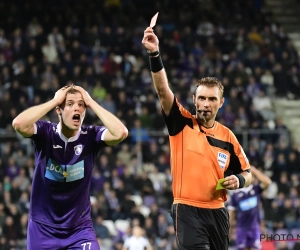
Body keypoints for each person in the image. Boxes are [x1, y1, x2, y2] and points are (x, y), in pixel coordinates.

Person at [142, 27, 252, 250]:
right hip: (187, 209)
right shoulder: (180, 122)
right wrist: (154, 54)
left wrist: (238, 181)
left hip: (219, 211)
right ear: (194, 99)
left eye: (212, 99)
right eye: (201, 98)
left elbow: (247, 174)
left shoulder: (227, 136)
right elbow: (163, 91)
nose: (205, 103)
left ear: (221, 103)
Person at [12, 84, 128, 249]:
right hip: (42, 229)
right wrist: (54, 101)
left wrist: (91, 102)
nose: (77, 109)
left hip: (79, 230)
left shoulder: (91, 136)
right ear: (59, 110)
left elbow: (120, 133)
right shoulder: (46, 132)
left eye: (81, 105)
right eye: (70, 104)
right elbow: (18, 124)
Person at [228, 166, 272, 250]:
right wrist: (228, 232)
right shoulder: (235, 194)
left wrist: (254, 170)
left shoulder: (256, 189)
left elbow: (268, 182)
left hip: (254, 228)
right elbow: (231, 214)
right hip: (241, 228)